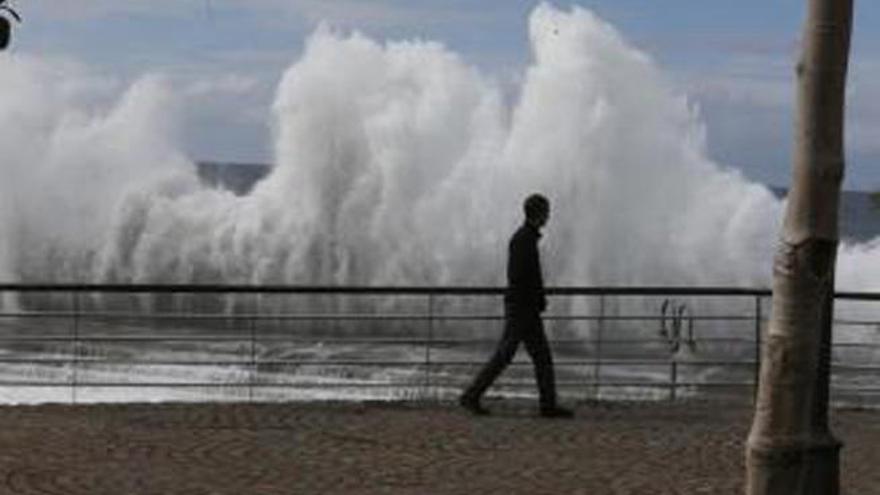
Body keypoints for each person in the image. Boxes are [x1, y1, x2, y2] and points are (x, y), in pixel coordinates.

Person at [459, 194, 573, 418]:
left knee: (530, 357)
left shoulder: (524, 238)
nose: (549, 216)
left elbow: (521, 277)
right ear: (539, 214)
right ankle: (472, 396)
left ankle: (546, 404)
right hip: (523, 310)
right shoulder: (524, 240)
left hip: (523, 308)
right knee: (517, 356)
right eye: (546, 212)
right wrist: (535, 300)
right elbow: (521, 277)